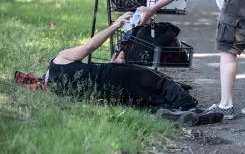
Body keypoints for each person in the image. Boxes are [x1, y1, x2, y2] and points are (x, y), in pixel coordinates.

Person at [45, 12, 223, 126]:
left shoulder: (56, 89)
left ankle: (170, 111)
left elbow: (90, 84)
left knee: (145, 97)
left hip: (111, 96)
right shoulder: (59, 59)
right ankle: (189, 107)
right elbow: (89, 47)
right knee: (159, 80)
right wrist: (116, 26)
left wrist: (112, 64)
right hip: (114, 76)